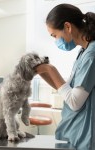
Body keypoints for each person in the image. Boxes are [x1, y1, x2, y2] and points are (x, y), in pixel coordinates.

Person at [35, 3, 95, 150]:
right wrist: (41, 72)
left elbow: (75, 102)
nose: (55, 41)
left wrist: (51, 69)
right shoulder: (83, 52)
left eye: (54, 35)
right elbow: (66, 89)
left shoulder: (91, 55)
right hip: (74, 133)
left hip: (84, 136)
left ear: (68, 27)